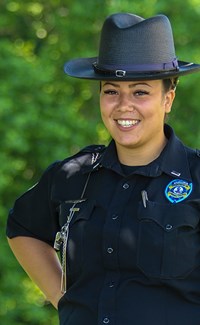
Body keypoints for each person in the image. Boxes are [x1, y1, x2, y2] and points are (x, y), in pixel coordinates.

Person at [6, 12, 200, 325]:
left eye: (140, 91)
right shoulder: (71, 176)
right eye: (111, 91)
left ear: (168, 99)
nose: (124, 105)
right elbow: (22, 229)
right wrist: (66, 302)